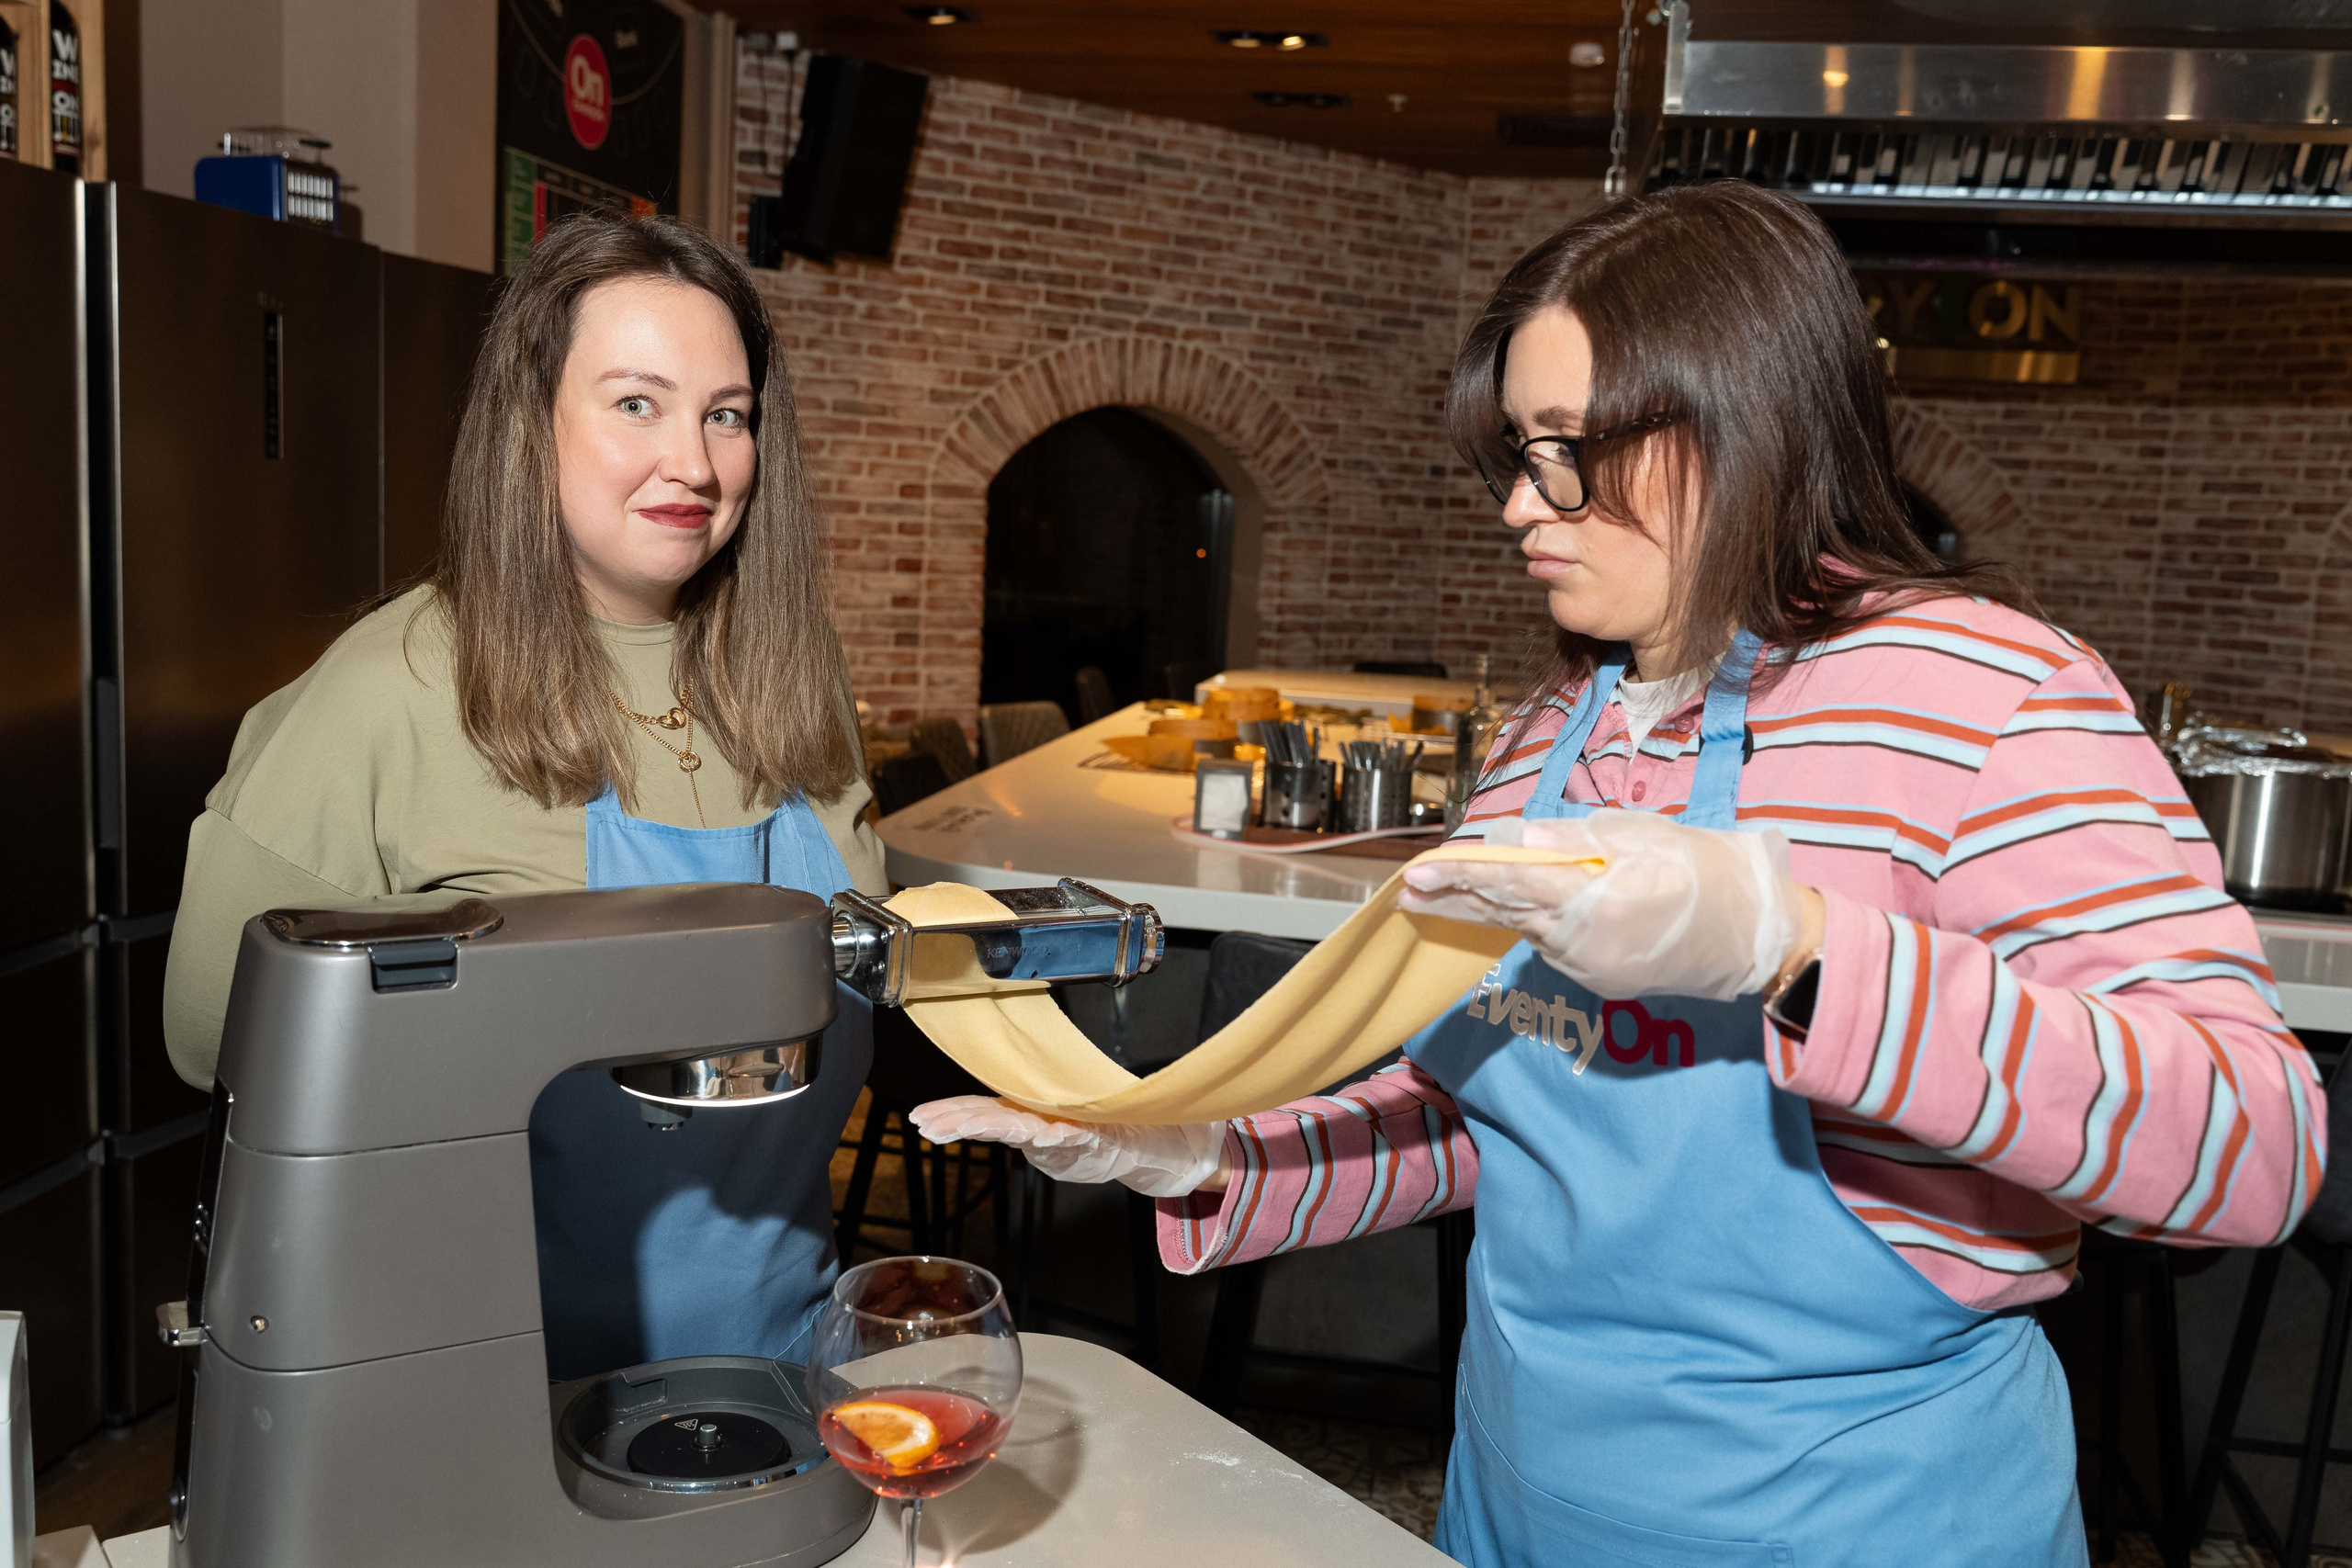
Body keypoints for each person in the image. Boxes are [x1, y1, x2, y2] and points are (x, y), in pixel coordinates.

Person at [915, 183, 2325, 1565]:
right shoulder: (1549, 732)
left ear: (1734, 419)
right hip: (1517, 1500)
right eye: (1514, 454)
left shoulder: (1988, 692)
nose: (1519, 506)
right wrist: (1213, 1149)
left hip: (1856, 1519)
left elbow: (2248, 1142)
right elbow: (1491, 1115)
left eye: (1562, 450)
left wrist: (1800, 949)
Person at [161, 214, 882, 1378]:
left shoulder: (794, 681)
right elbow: (212, 1042)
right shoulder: (388, 691)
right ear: (528, 421)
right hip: (483, 1390)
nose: (695, 464)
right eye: (636, 403)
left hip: (780, 1363)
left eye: (726, 414)